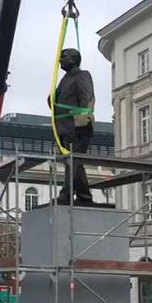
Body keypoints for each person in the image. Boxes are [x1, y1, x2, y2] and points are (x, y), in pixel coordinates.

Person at [49, 48, 95, 205]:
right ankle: (84, 195)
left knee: (73, 161)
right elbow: (57, 104)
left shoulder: (82, 75)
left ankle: (66, 194)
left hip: (76, 127)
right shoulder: (64, 79)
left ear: (74, 59)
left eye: (64, 57)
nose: (60, 60)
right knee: (75, 162)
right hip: (63, 127)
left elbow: (86, 99)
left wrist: (82, 122)